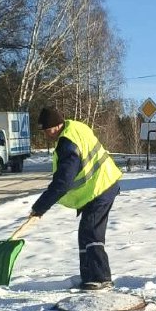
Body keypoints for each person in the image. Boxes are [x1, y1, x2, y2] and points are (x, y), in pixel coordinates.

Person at [29, 107, 122, 290]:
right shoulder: (75, 127)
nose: (46, 134)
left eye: (47, 130)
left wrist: (40, 207)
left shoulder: (67, 144)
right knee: (85, 232)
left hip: (101, 187)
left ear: (56, 126)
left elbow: (62, 183)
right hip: (96, 188)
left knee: (91, 231)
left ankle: (101, 278)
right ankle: (89, 277)